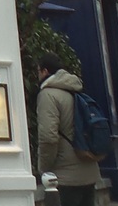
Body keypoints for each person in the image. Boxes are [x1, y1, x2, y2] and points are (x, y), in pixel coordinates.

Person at [37, 52, 101, 206]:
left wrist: (44, 168)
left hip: (65, 176)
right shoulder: (76, 91)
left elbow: (48, 137)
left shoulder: (48, 95)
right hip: (89, 170)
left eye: (38, 71)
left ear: (45, 71)